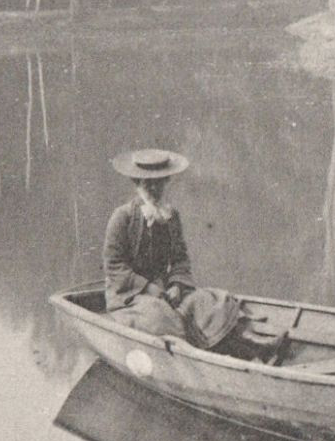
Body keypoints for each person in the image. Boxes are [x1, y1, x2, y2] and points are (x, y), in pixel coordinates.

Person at [102, 148, 286, 361]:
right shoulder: (122, 217)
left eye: (159, 182)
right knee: (159, 317)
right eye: (147, 183)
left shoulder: (170, 216)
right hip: (129, 297)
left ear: (167, 181)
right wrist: (148, 287)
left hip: (164, 290)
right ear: (137, 183)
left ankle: (255, 346)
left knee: (211, 302)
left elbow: (180, 259)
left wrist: (176, 285)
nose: (154, 188)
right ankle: (198, 360)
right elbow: (114, 266)